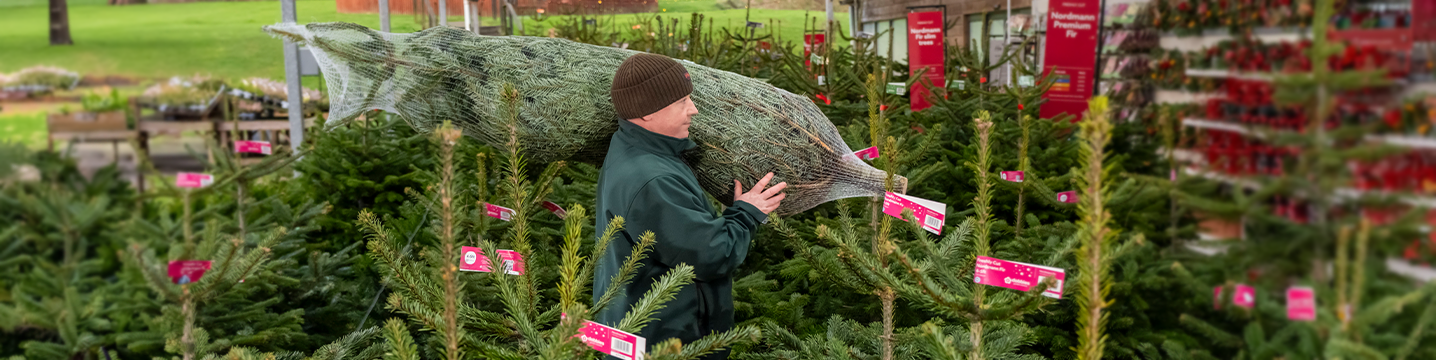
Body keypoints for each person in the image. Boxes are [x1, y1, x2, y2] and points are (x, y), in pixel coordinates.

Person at [591, 53, 787, 359]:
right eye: (682, 101)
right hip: (667, 342)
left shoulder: (640, 152)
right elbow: (711, 254)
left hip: (651, 332)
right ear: (646, 112)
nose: (693, 110)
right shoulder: (651, 179)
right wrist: (747, 214)